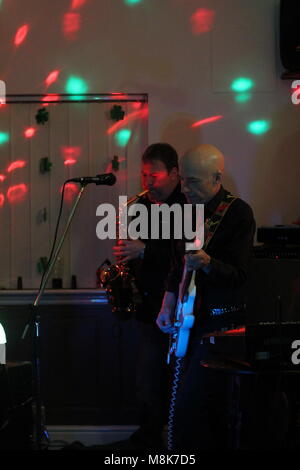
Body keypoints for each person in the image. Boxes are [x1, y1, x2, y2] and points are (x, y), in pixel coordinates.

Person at [156, 144, 256, 450]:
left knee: (196, 410)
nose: (184, 188)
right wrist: (167, 304)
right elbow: (176, 265)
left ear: (216, 177)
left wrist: (208, 263)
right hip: (189, 322)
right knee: (180, 410)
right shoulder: (185, 210)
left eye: (193, 182)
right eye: (183, 179)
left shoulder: (238, 213)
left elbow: (240, 276)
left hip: (221, 325)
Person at [110, 142, 187, 450]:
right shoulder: (139, 206)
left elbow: (184, 256)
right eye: (143, 175)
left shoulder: (188, 203)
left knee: (172, 383)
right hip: (146, 307)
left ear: (174, 174)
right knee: (147, 384)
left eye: (153, 175)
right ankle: (149, 442)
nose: (147, 183)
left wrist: (145, 250)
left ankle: (173, 442)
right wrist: (126, 262)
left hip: (177, 308)